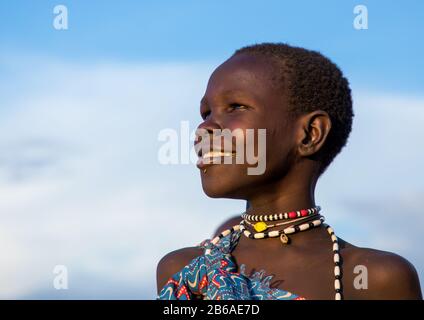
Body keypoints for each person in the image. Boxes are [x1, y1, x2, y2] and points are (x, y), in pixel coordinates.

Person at [156, 43, 422, 300]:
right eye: (206, 113)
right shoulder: (184, 273)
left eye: (236, 107)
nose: (204, 128)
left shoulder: (376, 278)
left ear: (309, 134)